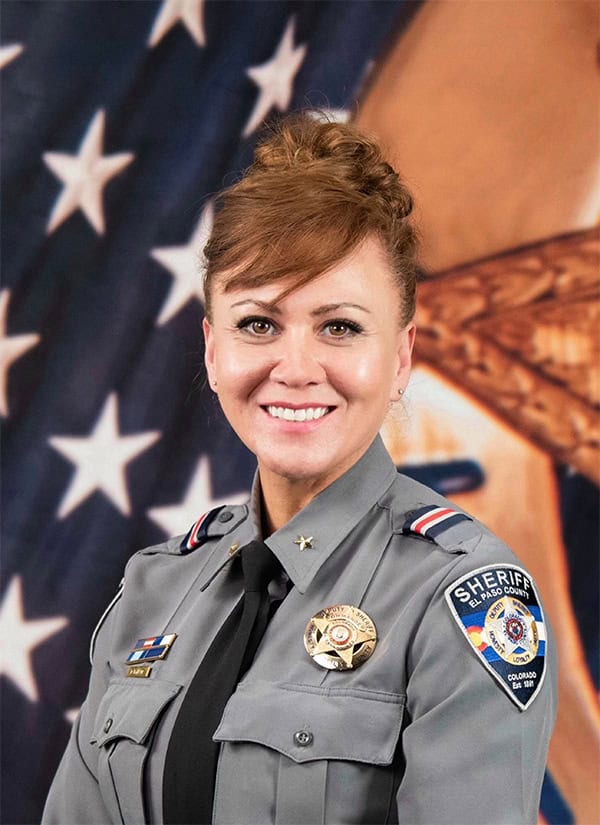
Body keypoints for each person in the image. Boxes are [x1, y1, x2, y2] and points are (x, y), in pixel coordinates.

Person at [43, 113, 557, 825]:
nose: (295, 368)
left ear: (401, 356)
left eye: (339, 326)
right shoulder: (155, 588)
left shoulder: (460, 600)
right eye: (258, 324)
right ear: (213, 350)